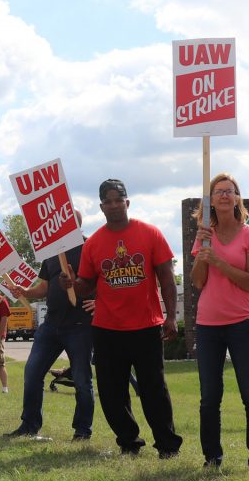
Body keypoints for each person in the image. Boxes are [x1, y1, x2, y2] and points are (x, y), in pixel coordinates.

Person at [60, 179, 183, 458]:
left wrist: (170, 317)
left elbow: (167, 279)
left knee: (154, 390)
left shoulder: (151, 233)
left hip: (146, 326)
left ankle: (167, 445)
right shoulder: (94, 243)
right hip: (107, 329)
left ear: (127, 202)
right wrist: (67, 283)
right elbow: (84, 286)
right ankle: (129, 442)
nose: (114, 205)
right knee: (112, 393)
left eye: (119, 200)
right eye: (108, 201)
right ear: (101, 206)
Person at [190, 173, 249, 469]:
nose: (224, 195)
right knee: (210, 395)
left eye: (229, 191)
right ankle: (212, 456)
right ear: (210, 200)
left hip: (242, 324)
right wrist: (201, 253)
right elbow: (198, 282)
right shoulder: (204, 235)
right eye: (218, 191)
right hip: (209, 325)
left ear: (237, 198)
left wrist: (220, 262)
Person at [6, 214, 97, 441]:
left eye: (68, 222)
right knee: (33, 372)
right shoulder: (52, 252)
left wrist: (100, 302)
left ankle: (82, 431)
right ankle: (29, 425)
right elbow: (44, 287)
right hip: (51, 326)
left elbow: (102, 280)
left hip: (80, 327)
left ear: (78, 224)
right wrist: (25, 291)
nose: (62, 226)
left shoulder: (90, 247)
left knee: (81, 380)